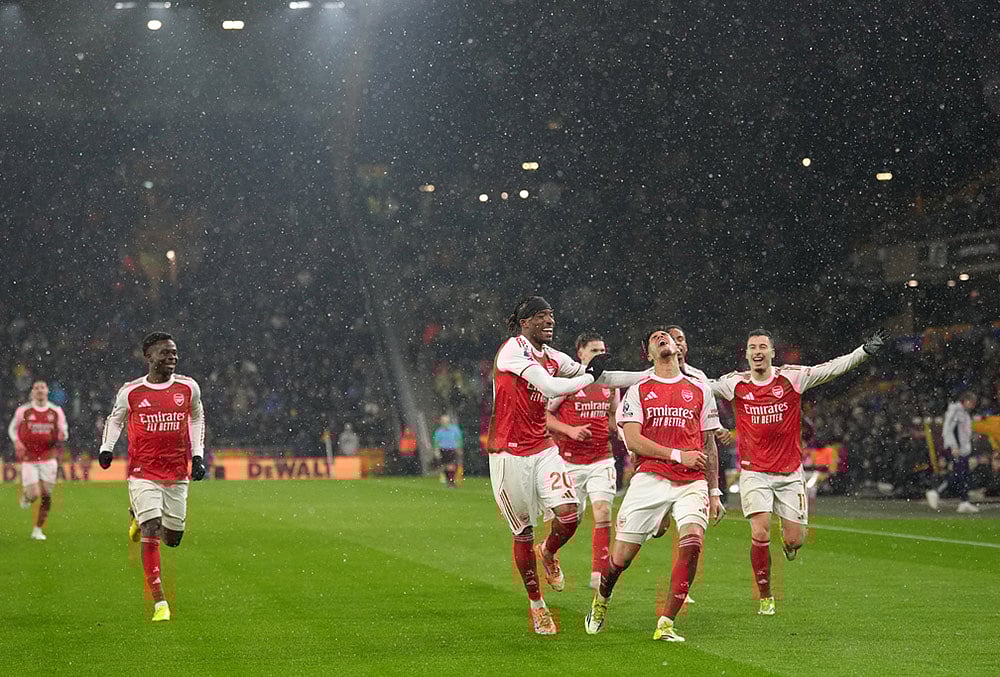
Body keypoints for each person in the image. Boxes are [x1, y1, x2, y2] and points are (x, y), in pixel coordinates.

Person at [487, 296, 650, 635]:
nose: (550, 322)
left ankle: (549, 551)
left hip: (543, 448)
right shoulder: (513, 351)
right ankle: (537, 605)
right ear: (526, 321)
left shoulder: (553, 356)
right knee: (522, 532)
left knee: (570, 512)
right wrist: (589, 377)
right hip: (508, 454)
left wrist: (647, 376)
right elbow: (549, 387)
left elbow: (603, 378)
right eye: (543, 317)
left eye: (552, 317)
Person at [711, 328, 887, 616]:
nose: (757, 351)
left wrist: (862, 353)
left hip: (790, 472)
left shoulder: (791, 378)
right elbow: (696, 386)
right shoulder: (734, 383)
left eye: (762, 347)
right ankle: (765, 595)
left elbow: (830, 369)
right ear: (745, 354)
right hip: (754, 472)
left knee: (795, 540)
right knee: (759, 529)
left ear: (771, 353)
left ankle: (789, 543)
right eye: (752, 347)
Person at [584, 329, 723, 642]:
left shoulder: (700, 389)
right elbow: (633, 440)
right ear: (648, 354)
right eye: (654, 338)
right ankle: (602, 600)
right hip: (650, 478)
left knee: (692, 544)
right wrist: (677, 455)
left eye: (666, 336)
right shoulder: (640, 389)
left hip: (692, 482)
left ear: (677, 348)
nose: (662, 338)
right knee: (620, 559)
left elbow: (709, 445)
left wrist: (714, 491)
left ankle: (665, 624)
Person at [97, 332, 207, 623]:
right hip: (143, 471)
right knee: (152, 526)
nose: (172, 357)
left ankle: (136, 516)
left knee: (172, 539)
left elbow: (197, 418)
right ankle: (160, 602)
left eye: (174, 353)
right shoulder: (131, 391)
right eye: (165, 353)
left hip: (176, 472)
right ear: (149, 357)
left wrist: (197, 456)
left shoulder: (188, 387)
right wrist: (106, 448)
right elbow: (115, 419)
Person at [545, 331, 619, 590]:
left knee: (603, 511)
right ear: (581, 354)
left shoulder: (609, 384)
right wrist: (570, 430)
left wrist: (623, 433)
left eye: (603, 351)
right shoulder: (569, 381)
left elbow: (613, 418)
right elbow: (544, 416)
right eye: (595, 351)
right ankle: (548, 549)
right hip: (569, 461)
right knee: (571, 520)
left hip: (601, 458)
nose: (601, 356)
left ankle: (599, 573)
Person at [7, 380, 68, 540]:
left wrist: (63, 435)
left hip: (49, 457)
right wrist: (17, 442)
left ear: (47, 391)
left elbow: (64, 430)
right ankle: (26, 497)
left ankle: (37, 530)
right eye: (36, 388)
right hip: (29, 457)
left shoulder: (56, 411)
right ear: (32, 392)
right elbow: (12, 428)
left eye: (42, 388)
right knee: (34, 494)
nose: (39, 390)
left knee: (46, 494)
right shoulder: (23, 411)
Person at [926, 391, 979, 513]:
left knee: (964, 474)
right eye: (971, 402)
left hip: (963, 449)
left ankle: (964, 502)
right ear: (965, 401)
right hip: (957, 449)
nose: (973, 405)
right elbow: (949, 429)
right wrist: (954, 446)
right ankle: (936, 492)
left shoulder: (964, 413)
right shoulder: (956, 411)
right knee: (957, 474)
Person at [433, 414, 463, 488]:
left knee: (452, 465)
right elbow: (436, 441)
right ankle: (449, 481)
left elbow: (459, 439)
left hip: (452, 449)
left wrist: (459, 448)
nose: (444, 423)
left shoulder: (455, 429)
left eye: (446, 421)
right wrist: (436, 450)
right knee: (445, 466)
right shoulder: (439, 431)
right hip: (443, 449)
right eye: (443, 421)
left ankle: (451, 481)